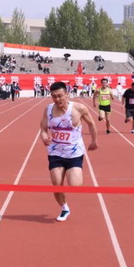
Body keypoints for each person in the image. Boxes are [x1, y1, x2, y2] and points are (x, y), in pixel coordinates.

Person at [40, 81, 97, 222]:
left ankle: (71, 172)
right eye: (54, 96)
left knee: (75, 185)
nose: (57, 99)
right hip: (55, 153)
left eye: (60, 96)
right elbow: (43, 129)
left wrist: (94, 141)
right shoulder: (48, 109)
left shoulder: (79, 108)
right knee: (56, 186)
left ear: (67, 94)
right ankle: (64, 208)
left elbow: (91, 124)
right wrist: (44, 137)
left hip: (74, 152)